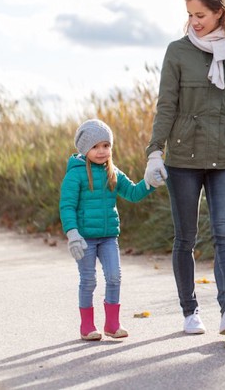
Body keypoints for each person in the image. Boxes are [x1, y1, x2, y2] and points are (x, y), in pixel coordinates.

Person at [143, 0, 225, 336]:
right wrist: (154, 152)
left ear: (220, 11)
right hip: (183, 159)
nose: (194, 21)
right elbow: (166, 106)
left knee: (224, 233)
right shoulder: (178, 52)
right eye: (190, 15)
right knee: (186, 238)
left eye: (201, 14)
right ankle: (190, 311)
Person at [60, 119, 155, 341]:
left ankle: (112, 325)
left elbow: (132, 193)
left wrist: (149, 183)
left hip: (109, 236)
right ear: (84, 148)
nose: (101, 151)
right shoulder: (75, 174)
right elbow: (67, 206)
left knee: (114, 277)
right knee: (89, 280)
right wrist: (72, 234)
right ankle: (87, 326)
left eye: (106, 145)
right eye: (95, 147)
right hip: (84, 238)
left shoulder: (113, 172)